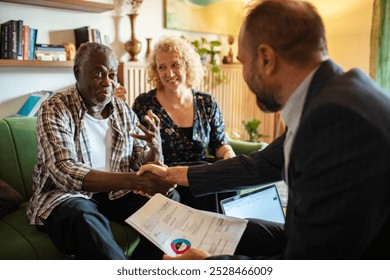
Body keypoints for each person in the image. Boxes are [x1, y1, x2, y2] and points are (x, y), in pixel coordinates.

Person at [137, 0, 390, 259]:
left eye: (244, 62)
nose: (244, 75)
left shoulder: (334, 119)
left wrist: (212, 266)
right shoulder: (333, 95)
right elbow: (261, 165)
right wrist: (169, 175)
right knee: (232, 228)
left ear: (266, 59)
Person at [26, 42, 178, 260]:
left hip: (116, 194)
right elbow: (64, 170)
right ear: (78, 72)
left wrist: (155, 146)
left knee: (169, 199)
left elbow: (142, 161)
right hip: (67, 195)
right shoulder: (55, 108)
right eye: (98, 73)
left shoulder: (123, 109)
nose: (108, 82)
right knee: (82, 215)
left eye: (112, 74)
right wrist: (134, 181)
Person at [132, 35, 236, 212]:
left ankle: (229, 232)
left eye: (175, 65)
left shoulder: (206, 102)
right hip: (166, 176)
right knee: (204, 174)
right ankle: (211, 234)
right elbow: (138, 151)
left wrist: (230, 156)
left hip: (201, 175)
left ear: (187, 66)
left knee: (227, 177)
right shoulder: (145, 103)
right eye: (162, 67)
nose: (169, 73)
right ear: (156, 71)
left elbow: (219, 144)